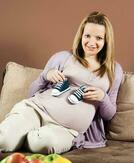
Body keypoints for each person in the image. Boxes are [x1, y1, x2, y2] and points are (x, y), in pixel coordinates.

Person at [0, 11, 123, 154]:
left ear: (107, 40)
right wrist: (46, 76)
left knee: (42, 144)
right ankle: (19, 133)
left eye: (99, 38)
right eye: (87, 36)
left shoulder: (114, 70)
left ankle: (24, 136)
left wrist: (103, 98)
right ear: (81, 36)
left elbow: (109, 114)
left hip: (66, 130)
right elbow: (31, 93)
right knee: (3, 140)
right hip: (36, 111)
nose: (91, 42)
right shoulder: (62, 57)